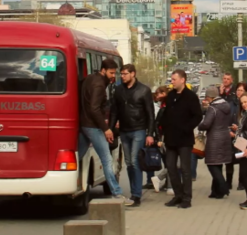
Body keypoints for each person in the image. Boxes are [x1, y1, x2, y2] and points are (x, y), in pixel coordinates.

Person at [78, 57, 126, 205]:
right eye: (111, 73)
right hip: (92, 126)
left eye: (115, 73)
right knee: (107, 159)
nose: (113, 76)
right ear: (103, 70)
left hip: (84, 124)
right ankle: (117, 193)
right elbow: (94, 108)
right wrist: (106, 129)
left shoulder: (90, 78)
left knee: (78, 155)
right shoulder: (99, 85)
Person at [113, 63, 156, 207]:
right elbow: (115, 111)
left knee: (135, 160)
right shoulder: (118, 90)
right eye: (121, 74)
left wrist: (150, 134)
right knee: (129, 163)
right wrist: (110, 128)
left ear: (133, 74)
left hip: (139, 130)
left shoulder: (144, 90)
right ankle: (133, 192)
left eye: (125, 74)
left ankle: (136, 195)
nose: (122, 76)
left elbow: (150, 114)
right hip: (124, 131)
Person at [159, 69, 203, 209]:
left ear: (182, 80)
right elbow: (166, 114)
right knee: (171, 167)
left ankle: (186, 197)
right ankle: (177, 195)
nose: (172, 82)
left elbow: (197, 116)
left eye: (174, 79)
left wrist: (187, 127)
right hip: (171, 139)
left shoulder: (191, 97)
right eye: (171, 79)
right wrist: (163, 129)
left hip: (184, 139)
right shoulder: (171, 96)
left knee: (185, 169)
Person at [198, 87, 234, 198]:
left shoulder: (212, 108)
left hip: (214, 138)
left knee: (211, 164)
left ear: (209, 97)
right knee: (217, 164)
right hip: (225, 137)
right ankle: (215, 192)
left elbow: (206, 124)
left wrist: (200, 126)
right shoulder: (227, 106)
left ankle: (223, 187)